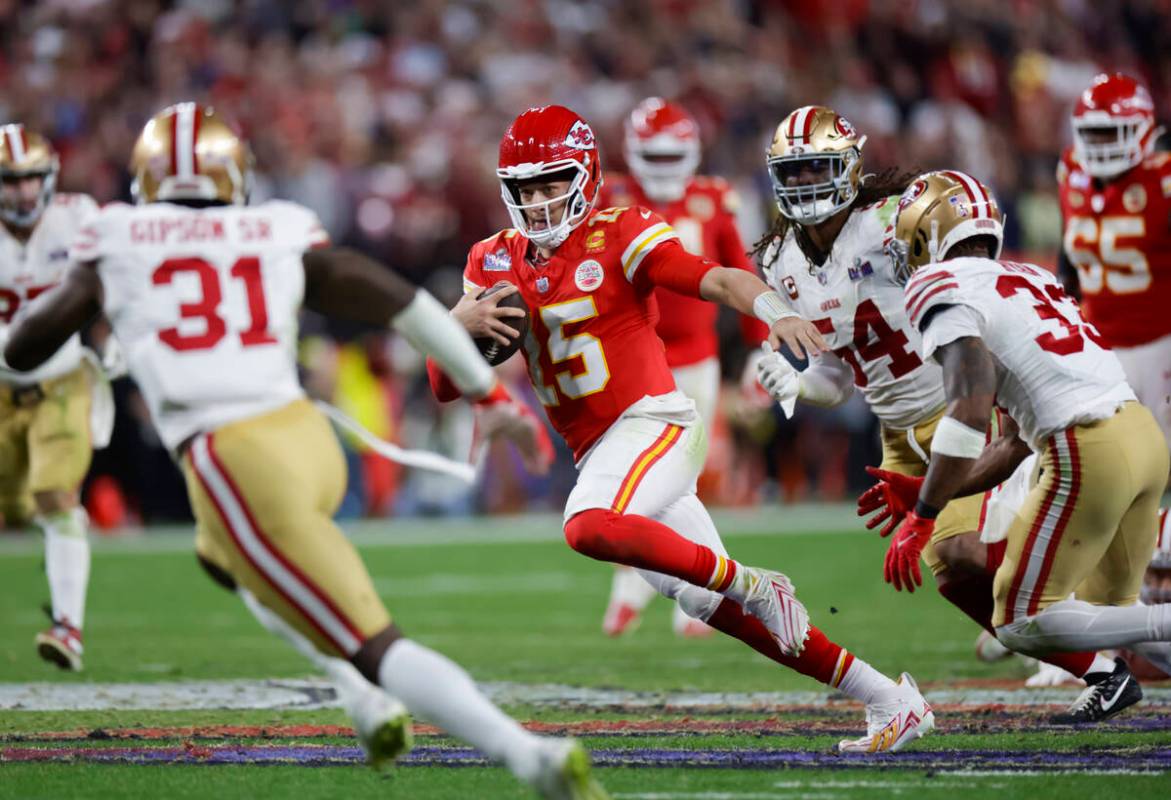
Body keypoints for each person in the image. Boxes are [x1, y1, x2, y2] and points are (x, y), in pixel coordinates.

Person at [4, 102, 608, 800]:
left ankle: (528, 757)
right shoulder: (276, 225)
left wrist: (98, 315)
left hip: (233, 459)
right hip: (306, 435)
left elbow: (24, 347)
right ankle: (362, 700)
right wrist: (488, 394)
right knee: (219, 555)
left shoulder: (115, 236)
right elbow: (395, 300)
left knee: (373, 642)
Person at [428, 104, 934, 754]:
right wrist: (451, 331)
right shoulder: (490, 260)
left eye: (552, 181)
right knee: (705, 605)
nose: (539, 198)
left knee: (587, 525)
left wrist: (772, 309)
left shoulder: (619, 228)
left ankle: (754, 581)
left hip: (652, 424)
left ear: (584, 175)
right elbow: (445, 387)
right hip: (600, 450)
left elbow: (712, 277)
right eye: (525, 187)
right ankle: (888, 699)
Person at [750, 109, 1117, 704]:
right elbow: (838, 377)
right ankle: (1090, 658)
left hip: (965, 408)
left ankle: (1093, 625)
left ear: (848, 167)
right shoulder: (779, 263)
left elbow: (973, 265)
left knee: (971, 550)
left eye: (817, 167)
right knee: (954, 575)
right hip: (897, 432)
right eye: (792, 173)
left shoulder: (893, 223)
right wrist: (798, 386)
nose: (805, 184)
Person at [875, 169, 1171, 723]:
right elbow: (1010, 444)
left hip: (1087, 449)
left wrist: (923, 518)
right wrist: (930, 491)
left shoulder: (937, 285)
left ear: (925, 231)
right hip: (1142, 437)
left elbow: (969, 407)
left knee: (1019, 619)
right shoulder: (1028, 277)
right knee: (1112, 613)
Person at [595, 97, 767, 639]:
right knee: (630, 480)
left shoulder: (713, 200)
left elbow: (739, 271)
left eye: (674, 157)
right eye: (655, 156)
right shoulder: (612, 198)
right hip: (630, 362)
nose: (665, 168)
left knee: (678, 480)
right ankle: (638, 585)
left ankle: (682, 591)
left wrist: (758, 350)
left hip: (695, 360)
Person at [0, 124, 103, 671]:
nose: (21, 192)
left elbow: (121, 278)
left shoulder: (79, 217)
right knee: (16, 510)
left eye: (30, 178)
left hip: (59, 382)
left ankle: (68, 627)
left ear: (50, 178)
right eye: (10, 180)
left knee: (57, 497)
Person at [1057, 73, 1171, 464]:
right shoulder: (1070, 170)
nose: (1101, 145)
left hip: (1162, 344)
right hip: (1101, 346)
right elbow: (1068, 254)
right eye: (1094, 134)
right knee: (1104, 464)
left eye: (1112, 133)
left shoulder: (1163, 180)